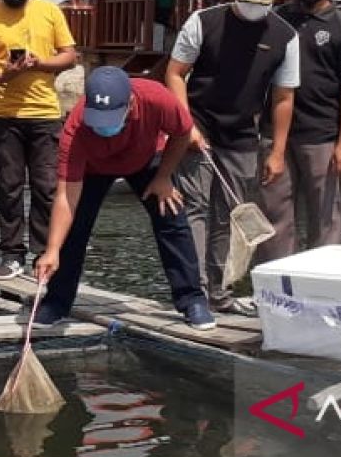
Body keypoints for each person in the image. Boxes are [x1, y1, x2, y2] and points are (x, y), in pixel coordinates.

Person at [34, 67, 215, 330]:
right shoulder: (75, 129)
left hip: (146, 159)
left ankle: (192, 299)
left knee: (172, 215)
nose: (104, 125)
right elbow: (65, 197)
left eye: (110, 118)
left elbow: (182, 132)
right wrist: (51, 251)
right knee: (72, 231)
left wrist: (164, 177)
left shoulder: (157, 98)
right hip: (93, 168)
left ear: (130, 104)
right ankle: (56, 302)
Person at [166, 0, 298, 315]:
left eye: (261, 1)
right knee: (194, 208)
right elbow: (175, 73)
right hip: (199, 122)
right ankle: (194, 294)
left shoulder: (286, 36)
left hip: (243, 133)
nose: (253, 7)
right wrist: (186, 125)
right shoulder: (204, 21)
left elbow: (284, 97)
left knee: (229, 215)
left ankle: (220, 295)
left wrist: (278, 152)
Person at [0, 0, 77, 280]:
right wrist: (4, 75)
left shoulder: (49, 11)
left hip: (44, 112)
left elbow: (70, 56)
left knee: (46, 186)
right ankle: (11, 253)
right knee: (9, 186)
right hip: (3, 114)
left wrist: (39, 64)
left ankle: (44, 253)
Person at [256, 0, 341, 262]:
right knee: (274, 214)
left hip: (322, 137)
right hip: (277, 135)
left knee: (325, 218)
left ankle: (323, 283)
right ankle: (276, 285)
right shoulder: (278, 19)